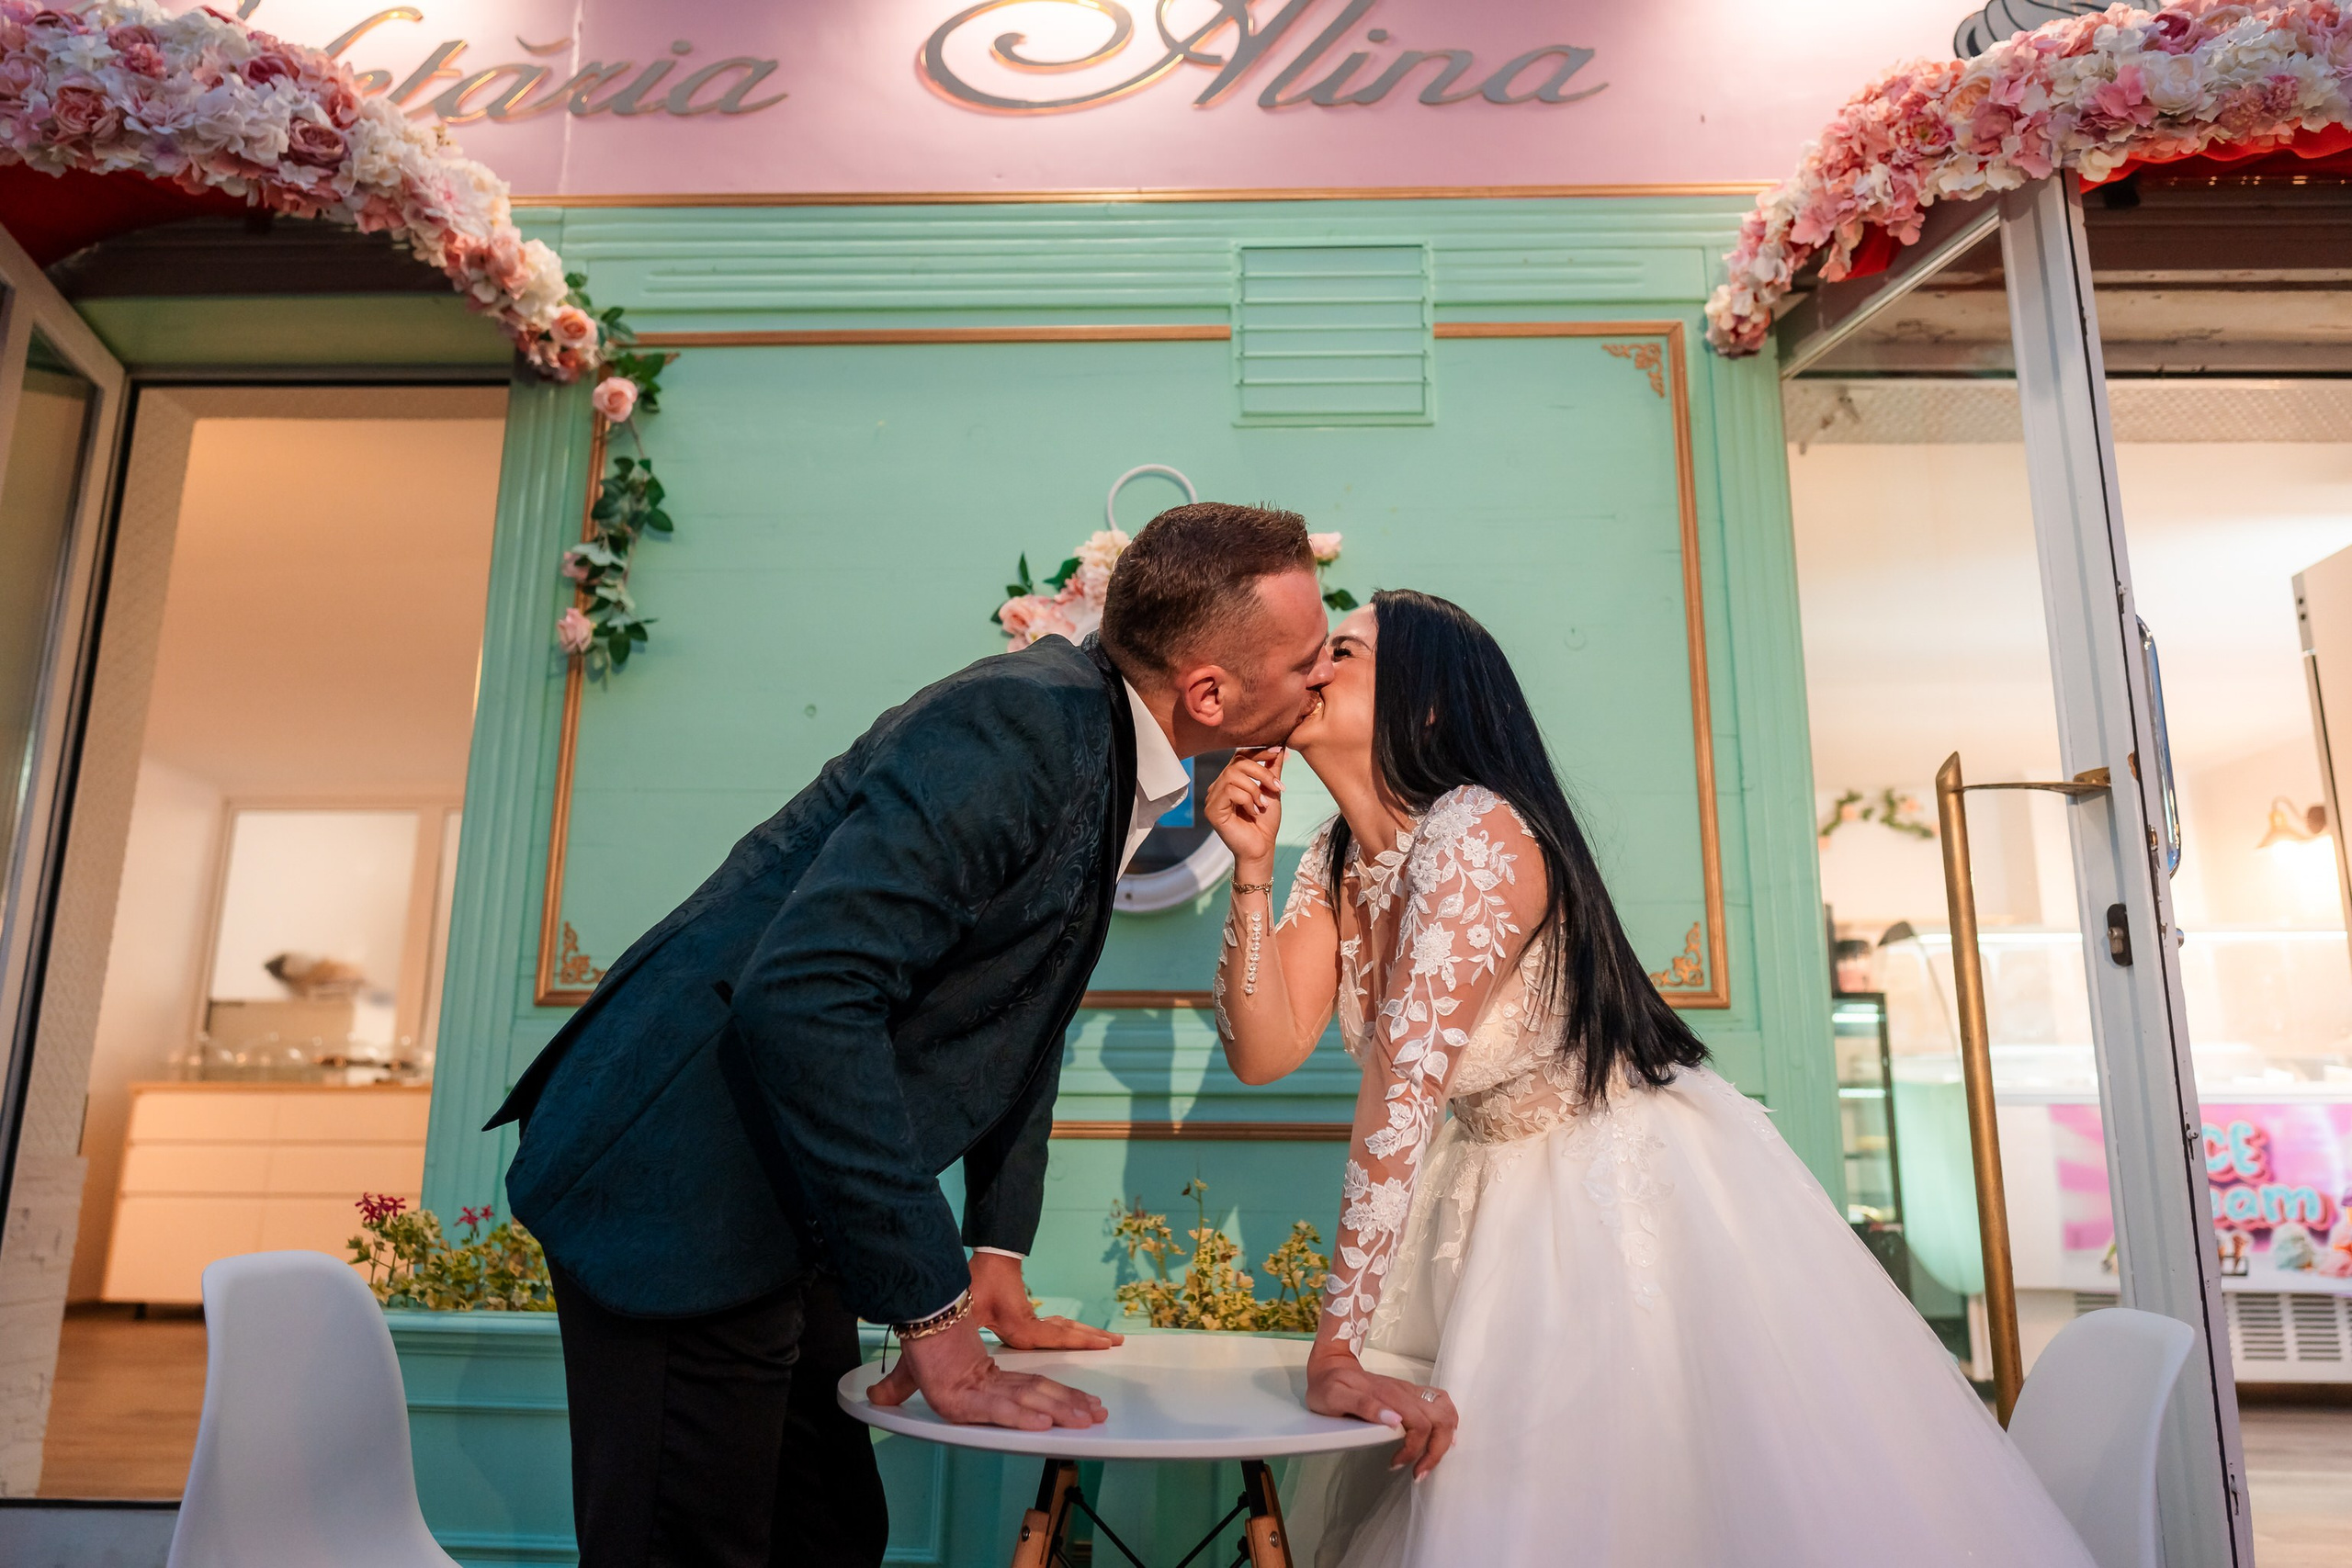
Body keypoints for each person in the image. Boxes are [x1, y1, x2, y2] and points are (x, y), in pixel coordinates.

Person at [486, 502, 1336, 1568]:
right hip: (681, 1179)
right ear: (1209, 691)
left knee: (830, 1533)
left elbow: (1020, 1009)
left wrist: (993, 1250)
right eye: (1309, 659)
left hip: (789, 1189)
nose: (1324, 677)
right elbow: (804, 992)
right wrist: (934, 1321)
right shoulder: (1021, 727)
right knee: (698, 1546)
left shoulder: (1103, 741)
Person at [1202, 589, 2099, 1567]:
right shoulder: (1333, 857)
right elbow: (1263, 1051)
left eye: (1342, 650)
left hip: (1617, 1186)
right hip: (1484, 1189)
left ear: (1426, 703)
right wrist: (1249, 868)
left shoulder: (1474, 829)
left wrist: (1334, 1349)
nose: (1311, 668)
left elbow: (1404, 1079)